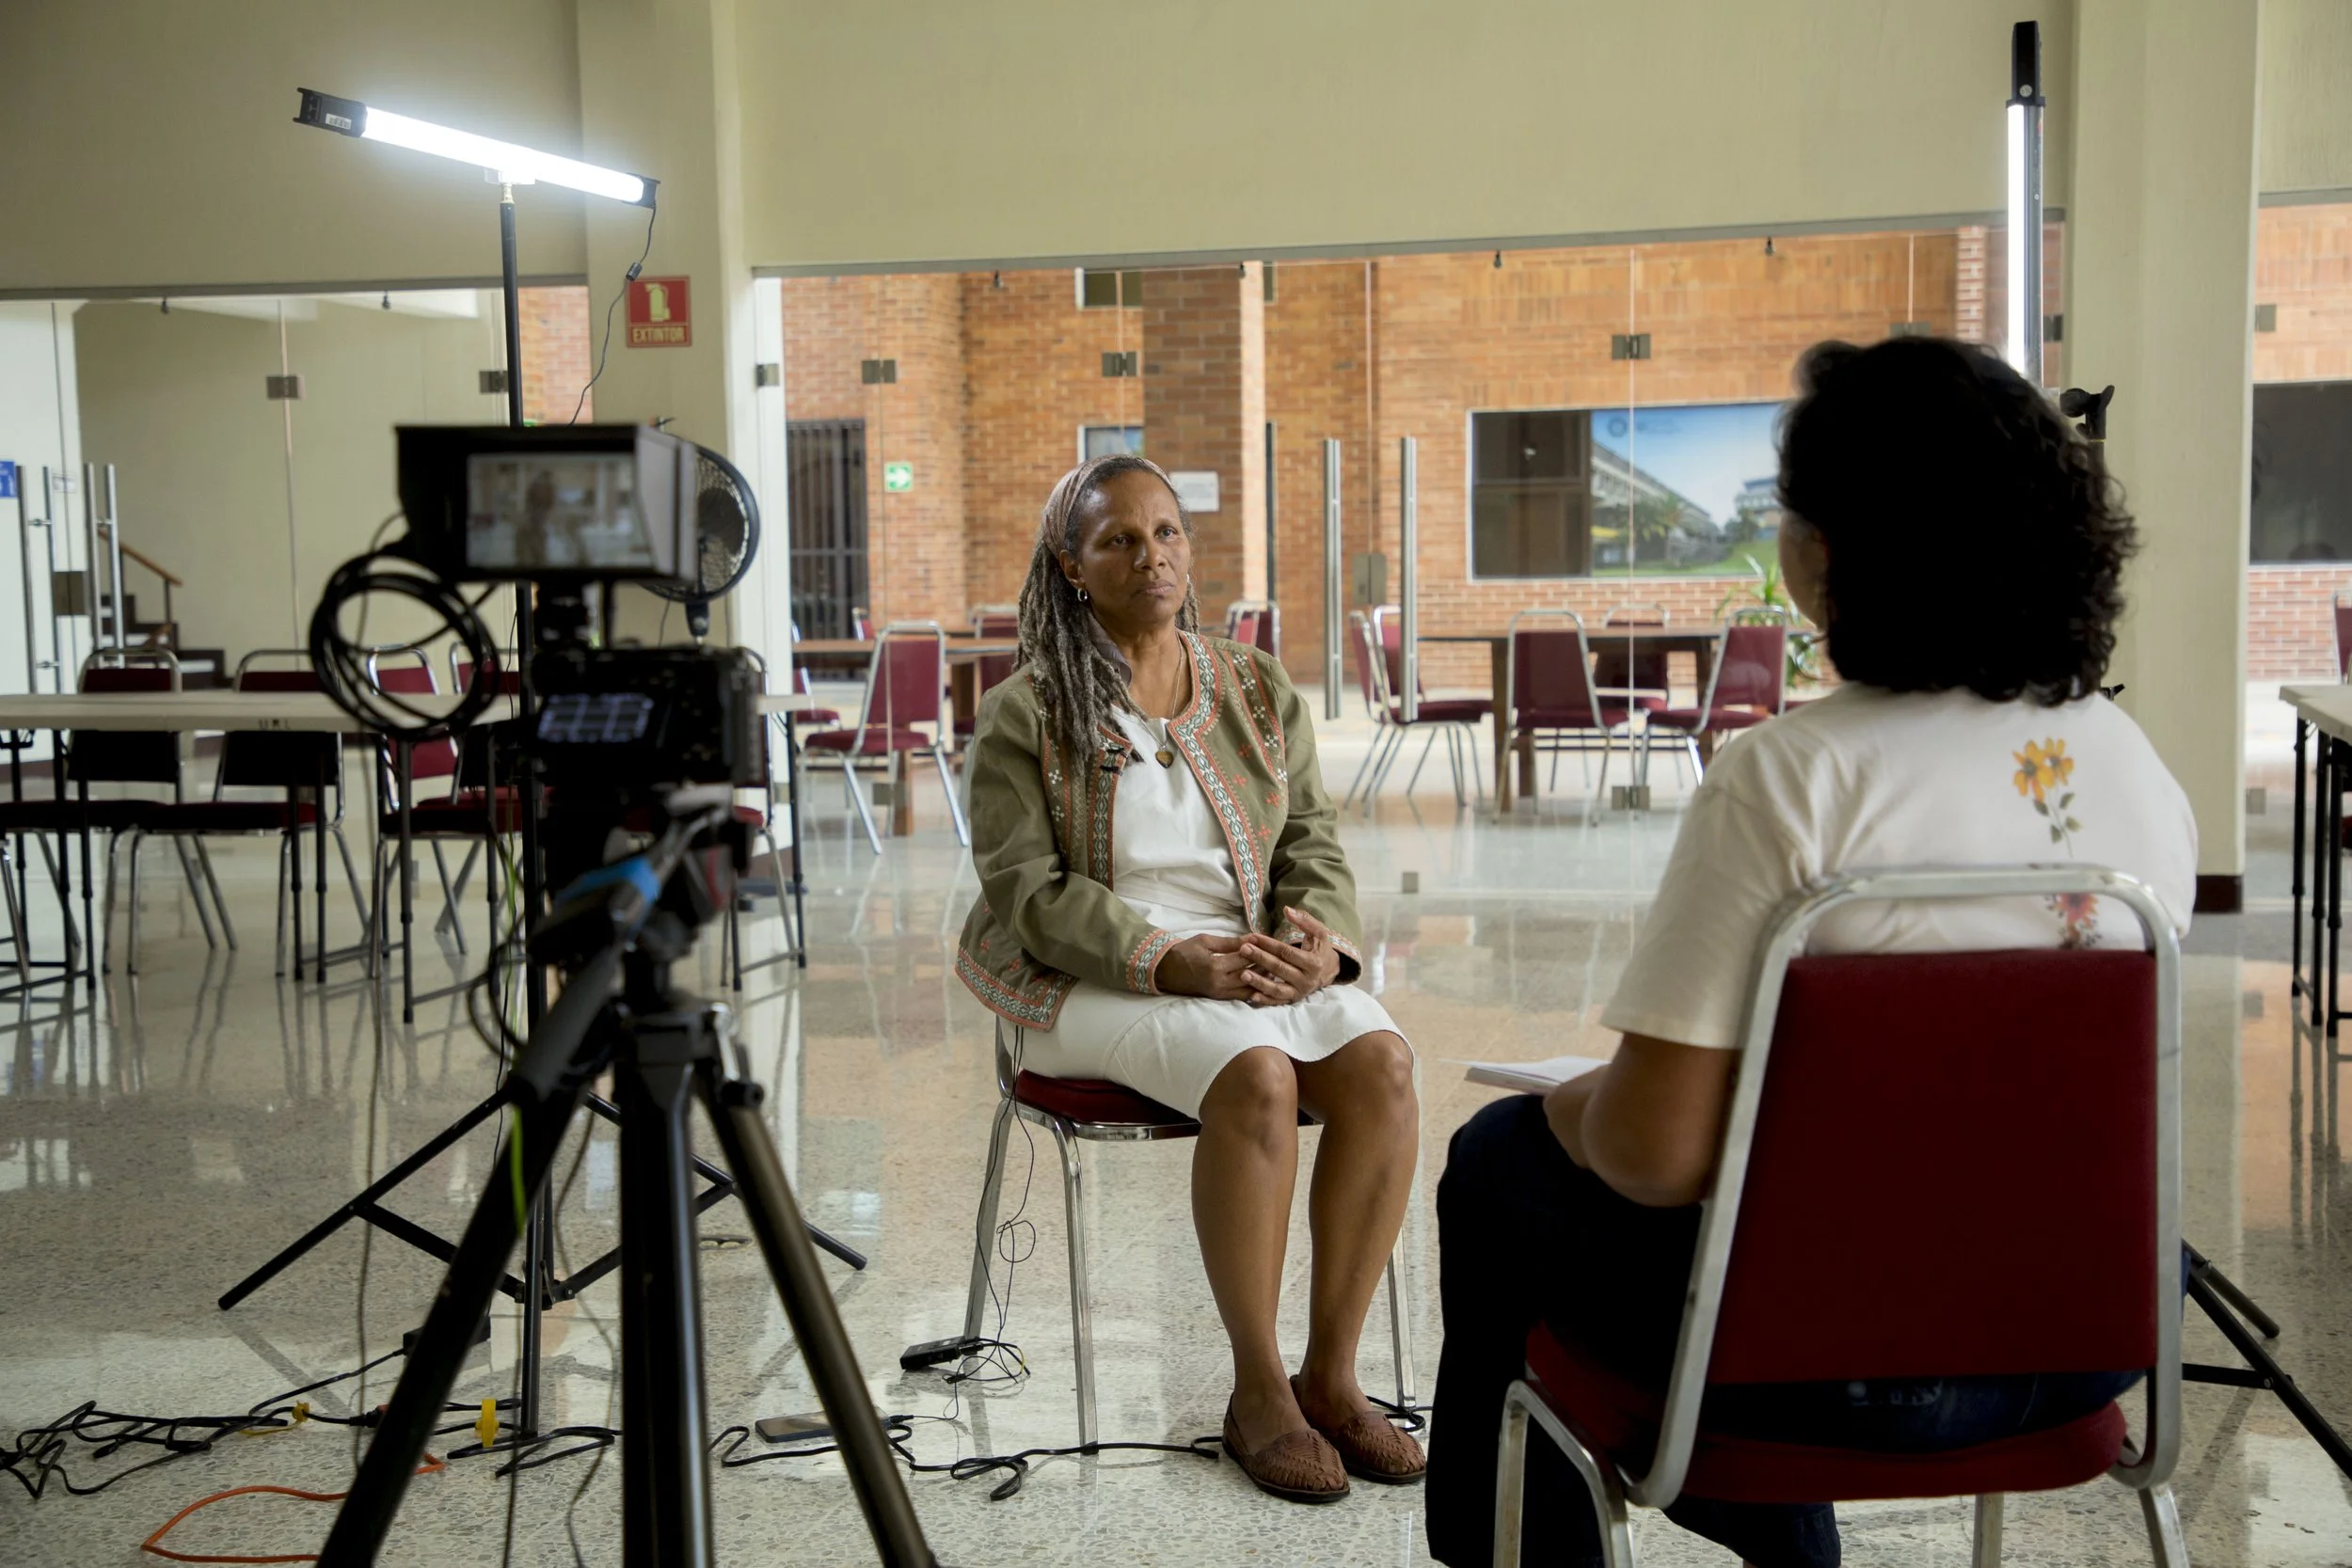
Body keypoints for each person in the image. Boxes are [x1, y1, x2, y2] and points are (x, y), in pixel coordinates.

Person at [1423, 337, 2199, 1568]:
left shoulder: (1792, 778)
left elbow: (1660, 1152)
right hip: (2083, 1345)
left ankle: (1509, 1545)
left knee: (1498, 1158)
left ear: (1830, 548)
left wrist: (1576, 1104)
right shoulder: (2134, 768)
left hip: (1827, 1368)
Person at [958, 454, 1425, 1504]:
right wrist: (1161, 957)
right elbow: (1024, 888)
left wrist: (1320, 944)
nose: (1150, 554)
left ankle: (1334, 1379)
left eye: (1166, 532)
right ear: (1072, 564)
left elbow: (1310, 834)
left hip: (1244, 957)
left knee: (1384, 1063)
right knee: (1259, 1073)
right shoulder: (1024, 710)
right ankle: (1258, 1391)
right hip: (1085, 981)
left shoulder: (1254, 686)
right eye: (1118, 538)